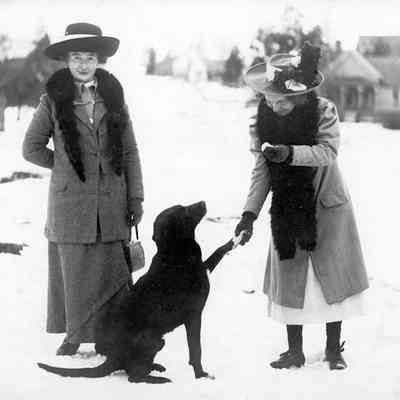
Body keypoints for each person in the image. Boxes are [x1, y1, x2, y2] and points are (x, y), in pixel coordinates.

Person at [234, 42, 369, 370]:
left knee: (330, 280)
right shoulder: (263, 120)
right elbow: (262, 169)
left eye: (281, 99)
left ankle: (333, 349)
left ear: (299, 95)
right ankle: (294, 351)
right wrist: (249, 215)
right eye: (269, 98)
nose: (273, 104)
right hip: (287, 208)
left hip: (326, 206)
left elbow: (327, 152)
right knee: (293, 278)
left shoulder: (323, 111)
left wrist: (289, 153)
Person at [22, 23, 144, 355]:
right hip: (71, 205)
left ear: (99, 60)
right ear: (66, 60)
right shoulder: (52, 100)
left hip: (112, 200)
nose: (83, 64)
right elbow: (31, 148)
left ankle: (111, 335)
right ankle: (73, 335)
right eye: (76, 57)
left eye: (90, 57)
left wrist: (135, 197)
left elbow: (130, 152)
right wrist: (66, 166)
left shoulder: (114, 97)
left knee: (111, 270)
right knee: (75, 271)